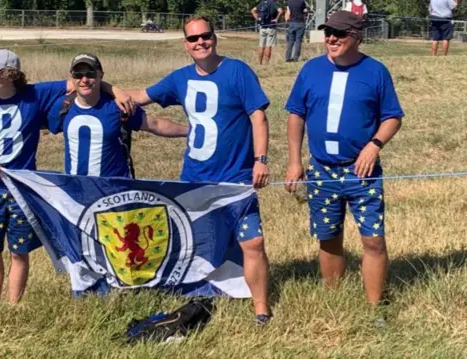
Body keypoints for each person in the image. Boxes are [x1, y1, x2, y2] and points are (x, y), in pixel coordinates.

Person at [126, 16, 273, 325]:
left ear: (215, 38)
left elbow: (258, 117)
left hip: (235, 180)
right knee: (197, 243)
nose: (200, 42)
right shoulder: (180, 79)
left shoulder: (238, 72)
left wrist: (261, 159)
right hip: (195, 180)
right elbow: (140, 97)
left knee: (253, 242)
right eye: (193, 39)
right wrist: (101, 87)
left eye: (205, 36)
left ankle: (261, 307)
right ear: (186, 45)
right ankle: (196, 296)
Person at [0, 49, 132, 305]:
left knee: (19, 251)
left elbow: (81, 80)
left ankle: (14, 306)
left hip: (23, 188)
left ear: (10, 75)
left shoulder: (35, 95)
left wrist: (116, 90)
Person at [284, 12, 404, 316]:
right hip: (321, 170)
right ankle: (334, 301)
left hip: (362, 173)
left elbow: (392, 117)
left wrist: (373, 146)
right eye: (328, 33)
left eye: (339, 34)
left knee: (373, 240)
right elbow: (296, 115)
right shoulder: (311, 70)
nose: (331, 39)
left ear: (357, 37)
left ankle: (376, 309)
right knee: (328, 238)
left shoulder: (375, 71)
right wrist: (295, 162)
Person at [47, 53, 188, 177]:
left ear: (100, 75)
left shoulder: (119, 107)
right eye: (78, 74)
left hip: (114, 195)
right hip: (76, 193)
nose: (84, 80)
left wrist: (189, 131)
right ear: (71, 77)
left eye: (90, 74)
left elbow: (154, 124)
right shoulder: (62, 107)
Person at [251, 0, 283, 65]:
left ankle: (260, 63)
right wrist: (276, 19)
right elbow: (281, 11)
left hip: (262, 28)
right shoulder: (274, 3)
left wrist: (257, 19)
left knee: (261, 46)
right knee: (268, 46)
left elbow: (252, 10)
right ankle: (266, 63)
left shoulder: (262, 3)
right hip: (271, 28)